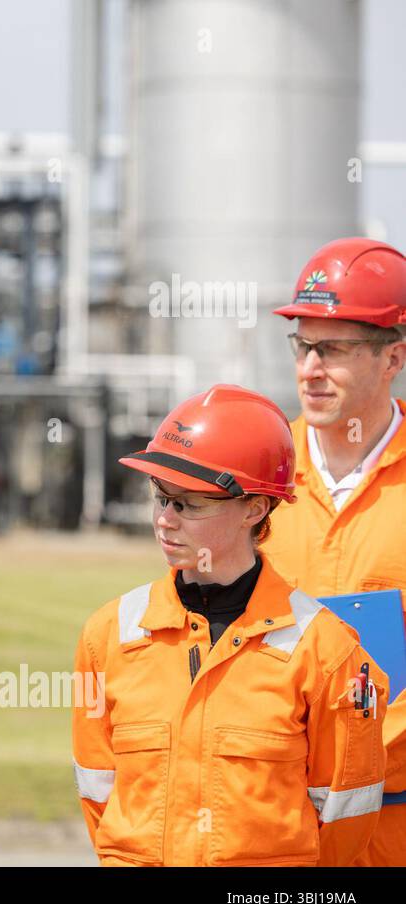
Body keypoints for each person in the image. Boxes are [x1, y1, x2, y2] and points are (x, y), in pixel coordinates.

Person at [72, 384, 386, 866]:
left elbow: (343, 820)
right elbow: (99, 795)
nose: (165, 520)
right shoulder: (108, 635)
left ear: (255, 509)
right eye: (161, 498)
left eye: (189, 504)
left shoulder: (327, 650)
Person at [262, 236, 406, 866]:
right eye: (303, 346)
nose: (310, 368)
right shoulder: (256, 472)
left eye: (334, 348)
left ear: (392, 357)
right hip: (273, 824)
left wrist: (356, 750)